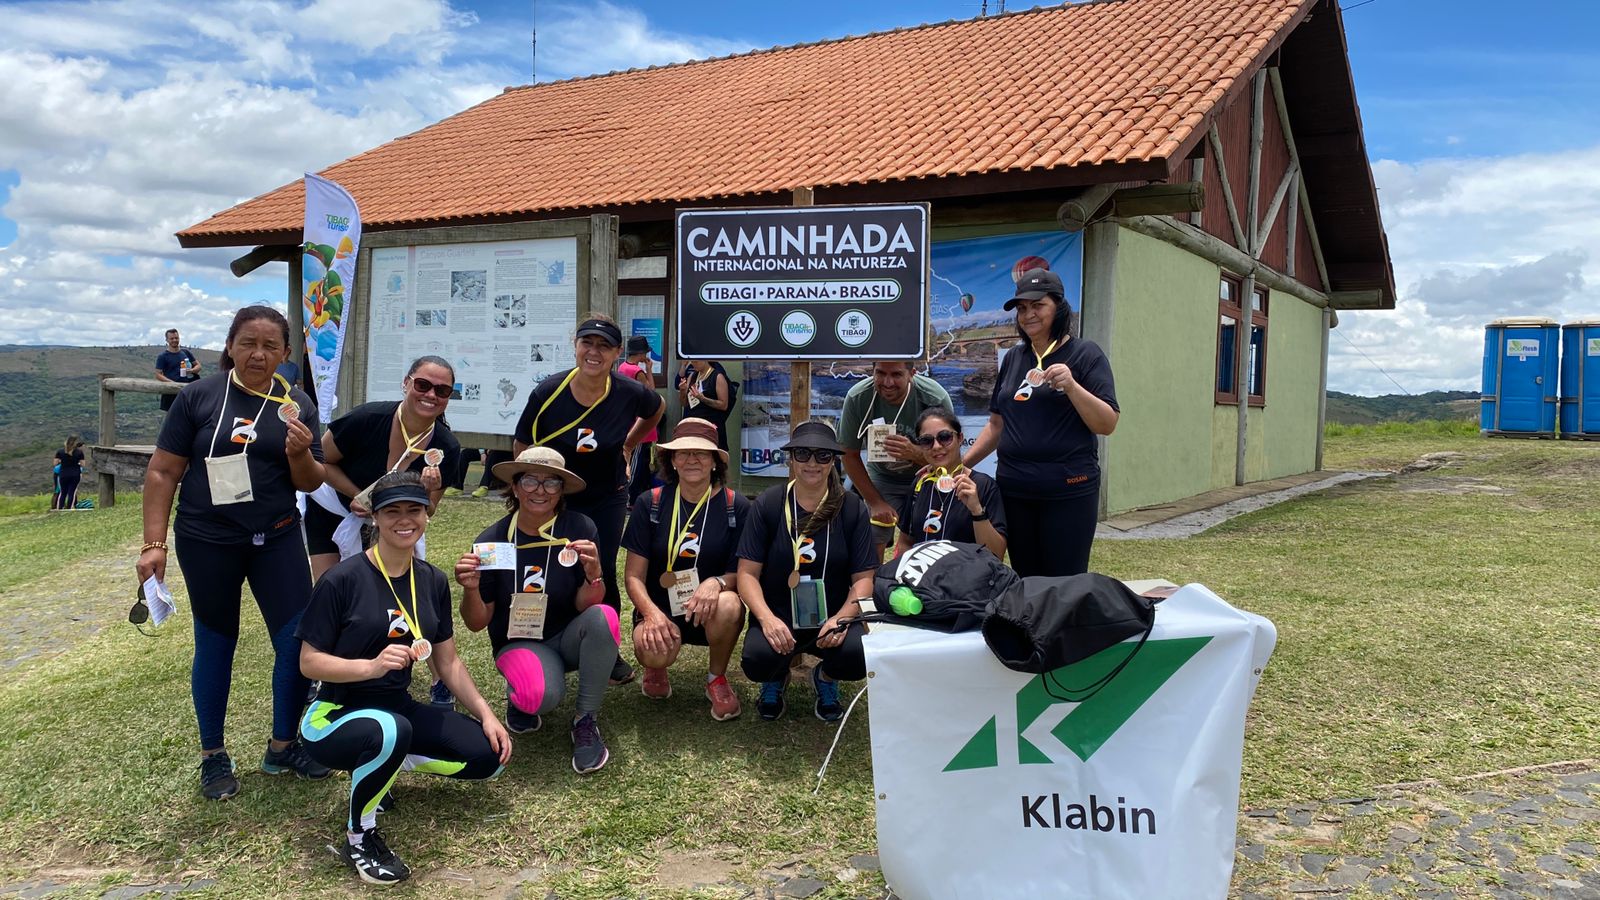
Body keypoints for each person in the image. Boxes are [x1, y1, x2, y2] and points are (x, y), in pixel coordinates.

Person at [137, 304, 329, 801]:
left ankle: (283, 745)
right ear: (230, 346)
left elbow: (312, 481)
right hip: (208, 541)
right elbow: (162, 472)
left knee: (294, 641)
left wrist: (299, 452)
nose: (258, 355)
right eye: (248, 343)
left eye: (270, 347)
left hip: (279, 537)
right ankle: (213, 755)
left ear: (286, 354)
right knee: (217, 641)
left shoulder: (297, 405)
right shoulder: (199, 397)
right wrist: (154, 544)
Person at [298, 471, 511, 885]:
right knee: (391, 730)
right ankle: (359, 838)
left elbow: (446, 662)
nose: (404, 520)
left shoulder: (430, 579)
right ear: (374, 518)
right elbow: (309, 662)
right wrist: (371, 667)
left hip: (397, 710)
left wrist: (486, 713)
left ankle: (383, 766)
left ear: (427, 515)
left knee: (488, 758)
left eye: (413, 510)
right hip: (334, 713)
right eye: (391, 511)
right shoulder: (341, 579)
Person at [513, 315, 664, 685]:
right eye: (587, 343)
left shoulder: (628, 391)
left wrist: (629, 444)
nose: (594, 352)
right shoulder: (548, 392)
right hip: (556, 497)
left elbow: (655, 408)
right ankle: (543, 640)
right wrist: (533, 490)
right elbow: (521, 446)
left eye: (604, 346)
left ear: (616, 353)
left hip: (607, 496)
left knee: (602, 567)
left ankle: (607, 649)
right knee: (549, 564)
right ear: (575, 345)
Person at [456, 447, 618, 774]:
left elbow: (586, 605)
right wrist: (470, 589)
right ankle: (522, 689)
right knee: (539, 696)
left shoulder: (580, 529)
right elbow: (476, 623)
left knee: (605, 617)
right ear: (514, 487)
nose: (540, 491)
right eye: (530, 480)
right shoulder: (492, 542)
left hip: (567, 636)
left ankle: (584, 720)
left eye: (551, 483)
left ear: (562, 490)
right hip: (518, 642)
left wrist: (594, 574)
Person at [964, 268, 1118, 576]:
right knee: (1025, 578)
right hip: (1016, 489)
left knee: (1064, 582)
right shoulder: (1014, 358)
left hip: (1068, 490)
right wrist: (961, 463)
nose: (1028, 314)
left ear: (1059, 307)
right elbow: (997, 424)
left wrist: (1073, 387)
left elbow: (1107, 424)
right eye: (1022, 308)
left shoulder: (1086, 354)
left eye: (1038, 305)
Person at [735, 421, 876, 722]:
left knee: (859, 656)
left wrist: (841, 619)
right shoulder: (768, 503)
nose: (812, 463)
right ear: (791, 459)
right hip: (779, 616)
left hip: (833, 617)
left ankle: (825, 677)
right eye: (803, 454)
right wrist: (767, 619)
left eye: (823, 455)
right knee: (757, 660)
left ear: (833, 461)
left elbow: (864, 579)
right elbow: (746, 573)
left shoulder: (852, 508)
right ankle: (775, 678)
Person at [621, 417, 750, 720]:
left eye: (702, 453)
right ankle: (656, 667)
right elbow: (633, 576)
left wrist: (716, 583)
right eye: (683, 452)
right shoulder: (650, 502)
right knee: (651, 648)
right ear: (672, 460)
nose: (692, 459)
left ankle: (715, 678)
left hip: (710, 611)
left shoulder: (737, 506)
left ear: (716, 461)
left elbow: (741, 572)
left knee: (730, 604)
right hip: (661, 610)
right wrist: (652, 614)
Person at [305, 355, 462, 582]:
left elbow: (430, 509)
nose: (431, 395)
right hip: (332, 512)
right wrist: (356, 495)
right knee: (329, 588)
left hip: (389, 523)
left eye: (442, 391)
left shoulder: (447, 447)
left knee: (380, 593)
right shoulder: (367, 419)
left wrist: (426, 492)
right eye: (422, 385)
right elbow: (320, 460)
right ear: (406, 383)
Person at [837, 360, 953, 560]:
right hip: (882, 477)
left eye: (897, 375)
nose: (887, 382)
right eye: (880, 373)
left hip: (927, 476)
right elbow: (848, 453)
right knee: (874, 531)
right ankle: (871, 584)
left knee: (931, 533)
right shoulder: (858, 397)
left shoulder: (934, 398)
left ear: (912, 373)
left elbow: (949, 456)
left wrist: (915, 453)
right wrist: (875, 502)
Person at [894, 409, 1007, 559]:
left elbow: (996, 554)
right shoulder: (920, 484)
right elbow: (905, 542)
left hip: (966, 577)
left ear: (960, 438)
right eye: (926, 441)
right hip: (924, 578)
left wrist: (977, 511)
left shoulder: (983, 486)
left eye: (945, 437)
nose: (936, 446)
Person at [618, 335, 659, 503]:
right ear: (641, 354)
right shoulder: (637, 371)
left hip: (627, 419)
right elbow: (651, 391)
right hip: (640, 422)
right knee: (636, 463)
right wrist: (649, 369)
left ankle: (629, 495)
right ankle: (630, 497)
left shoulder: (622, 367)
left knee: (628, 458)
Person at [676, 358, 733, 449]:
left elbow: (723, 405)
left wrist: (702, 398)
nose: (693, 364)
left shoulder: (717, 377)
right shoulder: (692, 376)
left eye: (696, 361)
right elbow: (684, 403)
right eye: (692, 362)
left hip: (710, 425)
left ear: (705, 360)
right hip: (693, 425)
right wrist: (683, 391)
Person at [154, 328, 202, 412]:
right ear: (167, 340)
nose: (174, 340)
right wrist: (172, 383)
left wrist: (191, 371)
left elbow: (198, 366)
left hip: (188, 391)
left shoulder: (186, 352)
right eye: (172, 338)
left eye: (176, 338)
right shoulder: (163, 356)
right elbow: (158, 374)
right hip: (171, 392)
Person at [53, 435, 85, 510]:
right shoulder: (79, 452)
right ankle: (69, 508)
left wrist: (62, 461)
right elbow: (83, 464)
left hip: (63, 474)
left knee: (62, 492)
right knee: (72, 492)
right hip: (75, 474)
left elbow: (55, 463)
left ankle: (60, 508)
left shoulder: (60, 451)